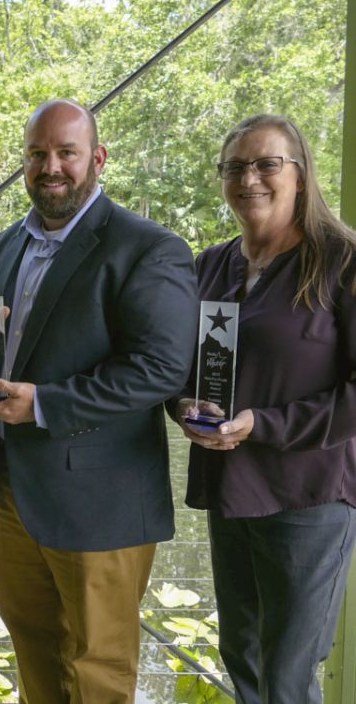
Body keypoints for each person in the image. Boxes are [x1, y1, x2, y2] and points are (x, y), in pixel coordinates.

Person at [0, 99, 198, 703]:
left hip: (102, 497)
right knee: (33, 647)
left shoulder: (148, 247)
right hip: (14, 485)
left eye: (67, 152)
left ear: (98, 158)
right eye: (38, 154)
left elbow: (162, 368)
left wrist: (43, 404)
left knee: (98, 665)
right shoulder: (7, 245)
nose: (51, 167)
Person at [171, 114, 356, 704]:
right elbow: (179, 366)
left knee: (287, 673)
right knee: (242, 657)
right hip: (231, 489)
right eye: (234, 167)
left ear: (299, 175)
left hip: (309, 495)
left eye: (266, 164)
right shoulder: (211, 265)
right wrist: (183, 406)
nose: (249, 178)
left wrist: (264, 424)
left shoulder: (341, 261)